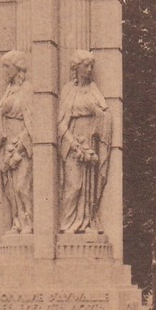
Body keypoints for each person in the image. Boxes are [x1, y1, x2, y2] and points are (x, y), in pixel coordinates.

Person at [58, 50, 112, 233]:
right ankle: (67, 224)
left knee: (89, 184)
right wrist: (73, 143)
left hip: (90, 139)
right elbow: (60, 124)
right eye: (86, 66)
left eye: (91, 66)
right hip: (73, 140)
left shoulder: (93, 90)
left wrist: (96, 112)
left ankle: (86, 221)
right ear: (76, 67)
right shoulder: (67, 90)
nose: (89, 70)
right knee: (74, 184)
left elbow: (105, 116)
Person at [0, 50, 34, 233]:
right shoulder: (8, 91)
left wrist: (21, 146)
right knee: (10, 188)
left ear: (16, 67)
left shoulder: (27, 89)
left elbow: (32, 122)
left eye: (6, 66)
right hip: (7, 141)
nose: (4, 70)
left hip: (21, 142)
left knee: (21, 186)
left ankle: (29, 220)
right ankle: (17, 221)